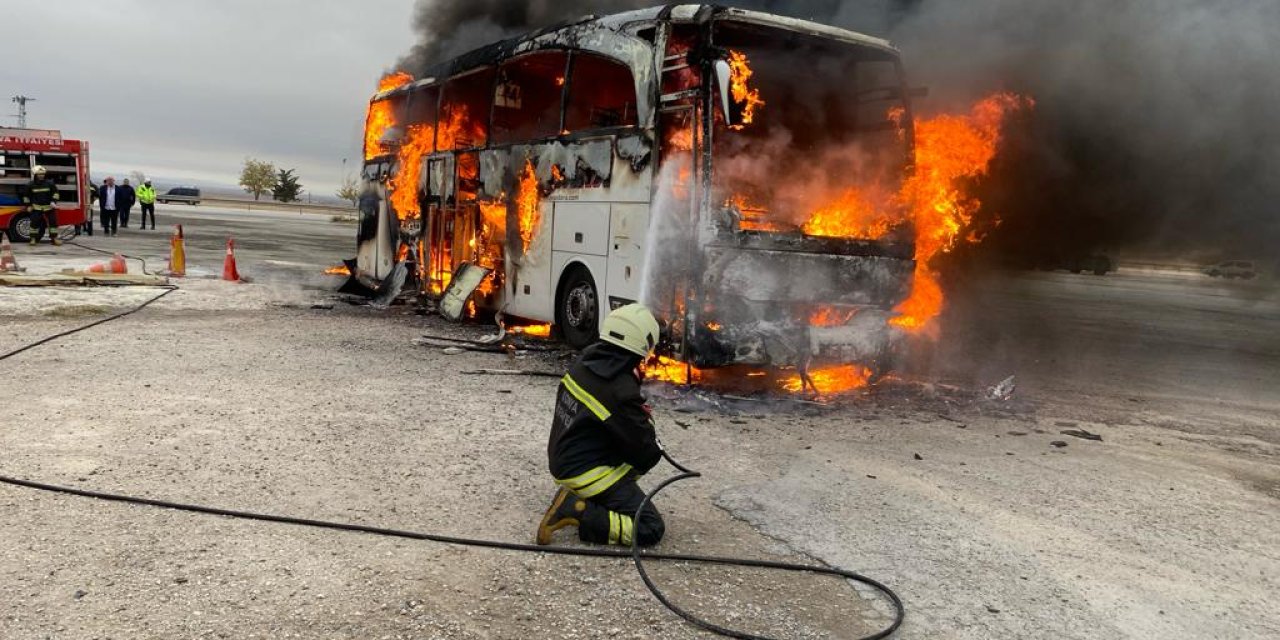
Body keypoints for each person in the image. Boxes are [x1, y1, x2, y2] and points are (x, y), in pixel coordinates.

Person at [536, 304, 666, 548]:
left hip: (563, 459)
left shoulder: (586, 360)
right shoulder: (620, 391)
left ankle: (591, 498)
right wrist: (645, 422)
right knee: (649, 528)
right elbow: (647, 454)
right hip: (585, 472)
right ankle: (578, 509)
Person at [22, 165, 61, 246]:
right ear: (36, 175)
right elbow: (26, 196)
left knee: (53, 223)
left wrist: (54, 201)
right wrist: (28, 205)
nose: (41, 176)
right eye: (39, 174)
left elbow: (56, 193)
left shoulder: (50, 183)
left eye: (43, 174)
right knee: (34, 223)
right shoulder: (30, 185)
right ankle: (33, 239)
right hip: (36, 207)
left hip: (49, 207)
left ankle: (54, 238)